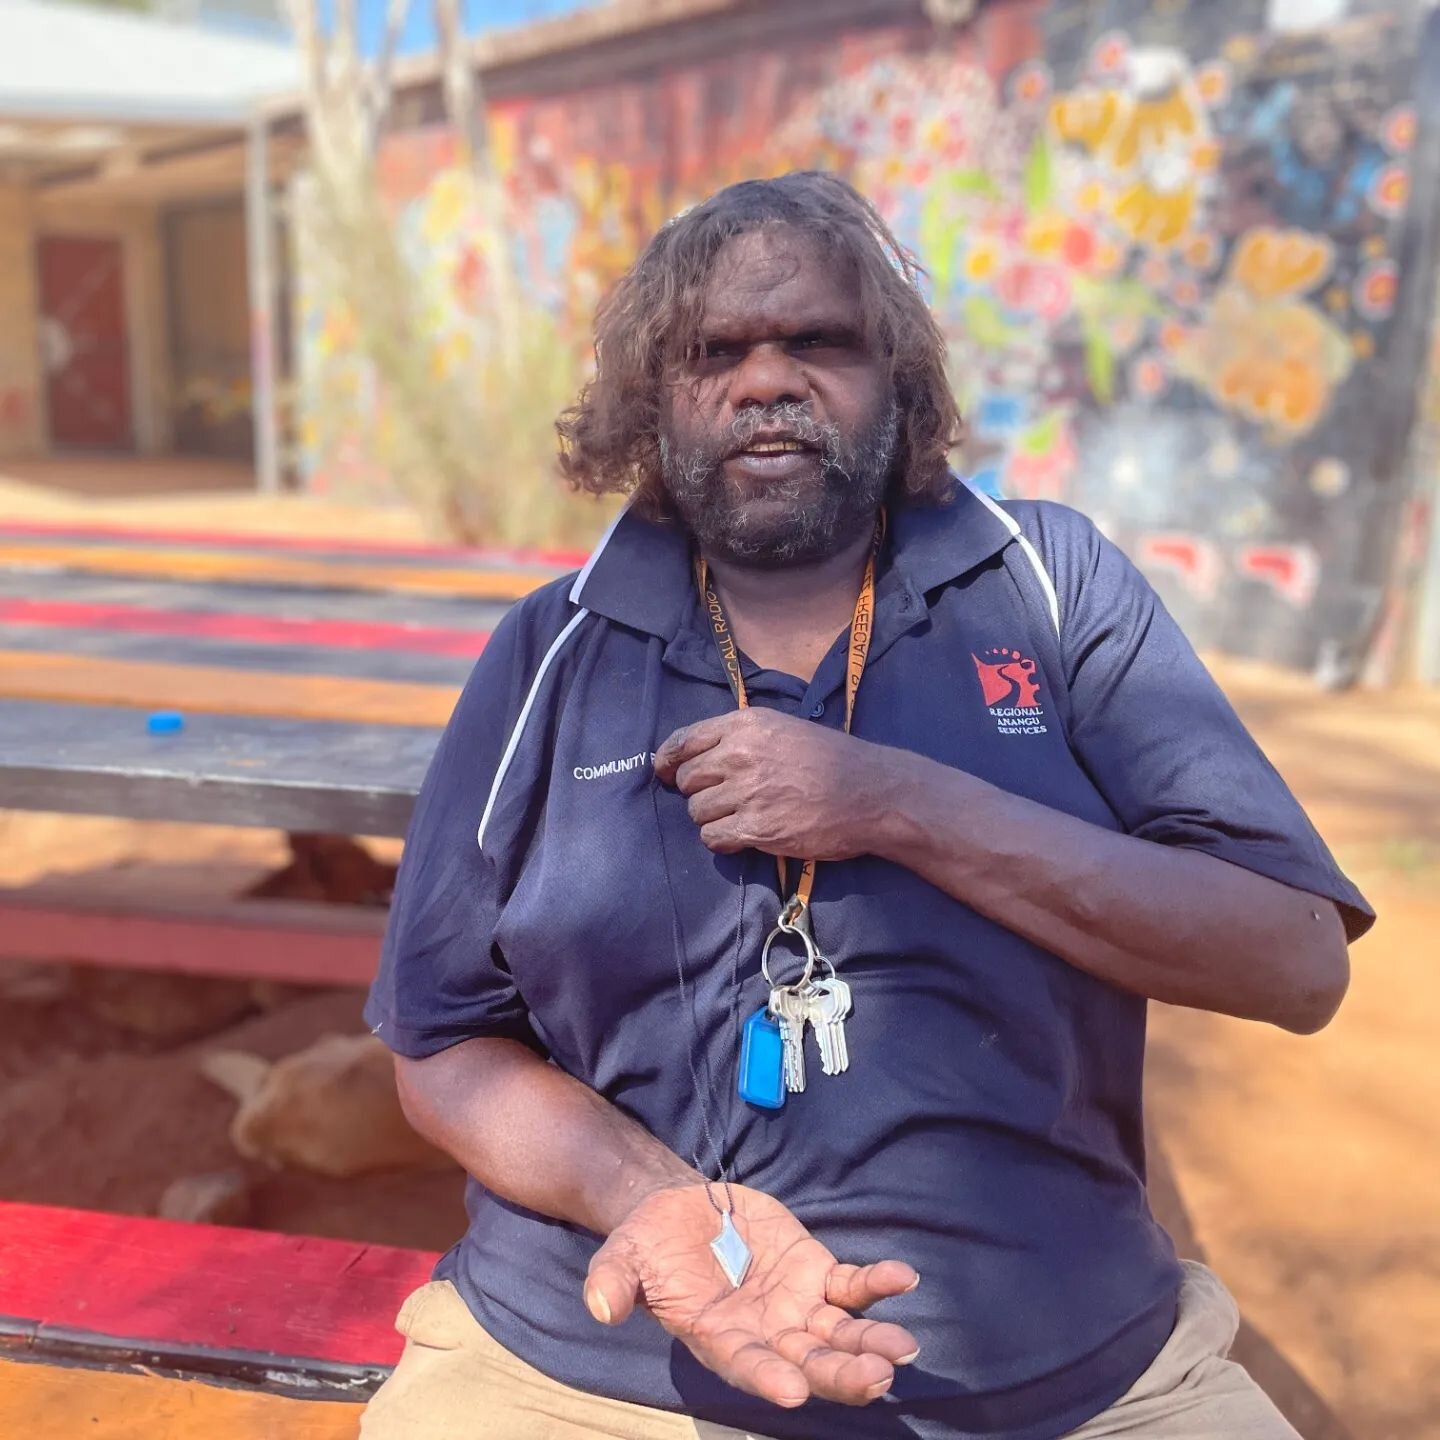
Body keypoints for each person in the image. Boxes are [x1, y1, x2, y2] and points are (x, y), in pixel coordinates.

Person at [360, 172, 1373, 1440]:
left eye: (819, 342)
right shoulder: (549, 650)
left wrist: (898, 805)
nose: (766, 380)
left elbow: (1295, 961)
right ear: (651, 399)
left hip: (1075, 1386)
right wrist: (657, 1201)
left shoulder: (1047, 587)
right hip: (589, 1377)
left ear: (896, 380)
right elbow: (441, 1041)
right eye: (714, 351)